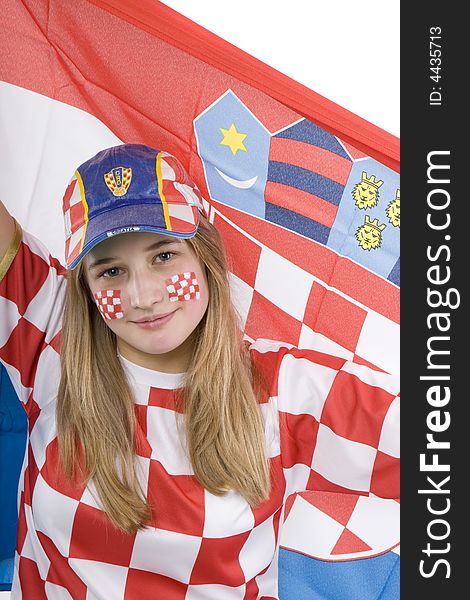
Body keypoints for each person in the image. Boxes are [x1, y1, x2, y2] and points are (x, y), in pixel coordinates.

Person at [0, 143, 399, 599]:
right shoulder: (52, 339)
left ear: (204, 256)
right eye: (111, 271)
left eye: (164, 256)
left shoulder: (283, 389)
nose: (143, 295)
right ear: (86, 287)